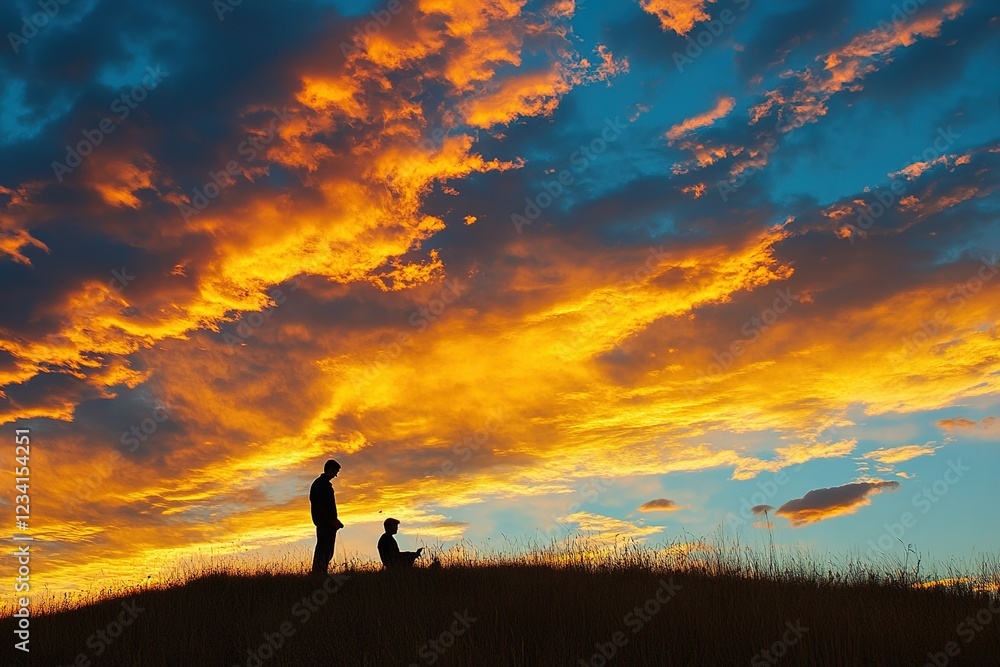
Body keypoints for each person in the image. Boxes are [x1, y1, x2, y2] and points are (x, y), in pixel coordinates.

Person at [310, 459, 343, 575]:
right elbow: (319, 505)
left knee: (326, 550)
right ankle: (319, 573)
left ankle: (320, 572)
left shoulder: (323, 484)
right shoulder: (320, 485)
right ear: (329, 469)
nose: (336, 475)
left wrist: (334, 520)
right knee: (324, 550)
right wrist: (331, 520)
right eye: (335, 471)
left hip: (327, 523)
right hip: (325, 524)